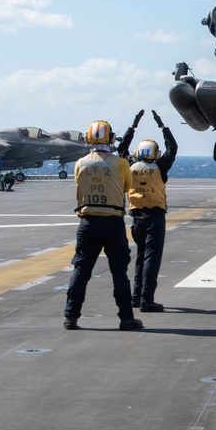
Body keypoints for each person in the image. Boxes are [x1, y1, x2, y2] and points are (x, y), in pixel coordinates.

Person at [63, 119, 143, 332]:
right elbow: (128, 186)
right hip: (112, 222)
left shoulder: (80, 163)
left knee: (80, 271)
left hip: (87, 222)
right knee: (119, 273)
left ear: (88, 138)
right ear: (111, 138)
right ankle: (126, 318)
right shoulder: (121, 163)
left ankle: (71, 317)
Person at [125, 110, 177, 312]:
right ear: (155, 153)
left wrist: (133, 126)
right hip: (155, 218)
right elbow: (173, 147)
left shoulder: (129, 166)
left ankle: (136, 297)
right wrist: (163, 126)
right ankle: (147, 299)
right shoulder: (160, 167)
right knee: (151, 260)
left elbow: (121, 149)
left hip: (137, 219)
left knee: (139, 258)